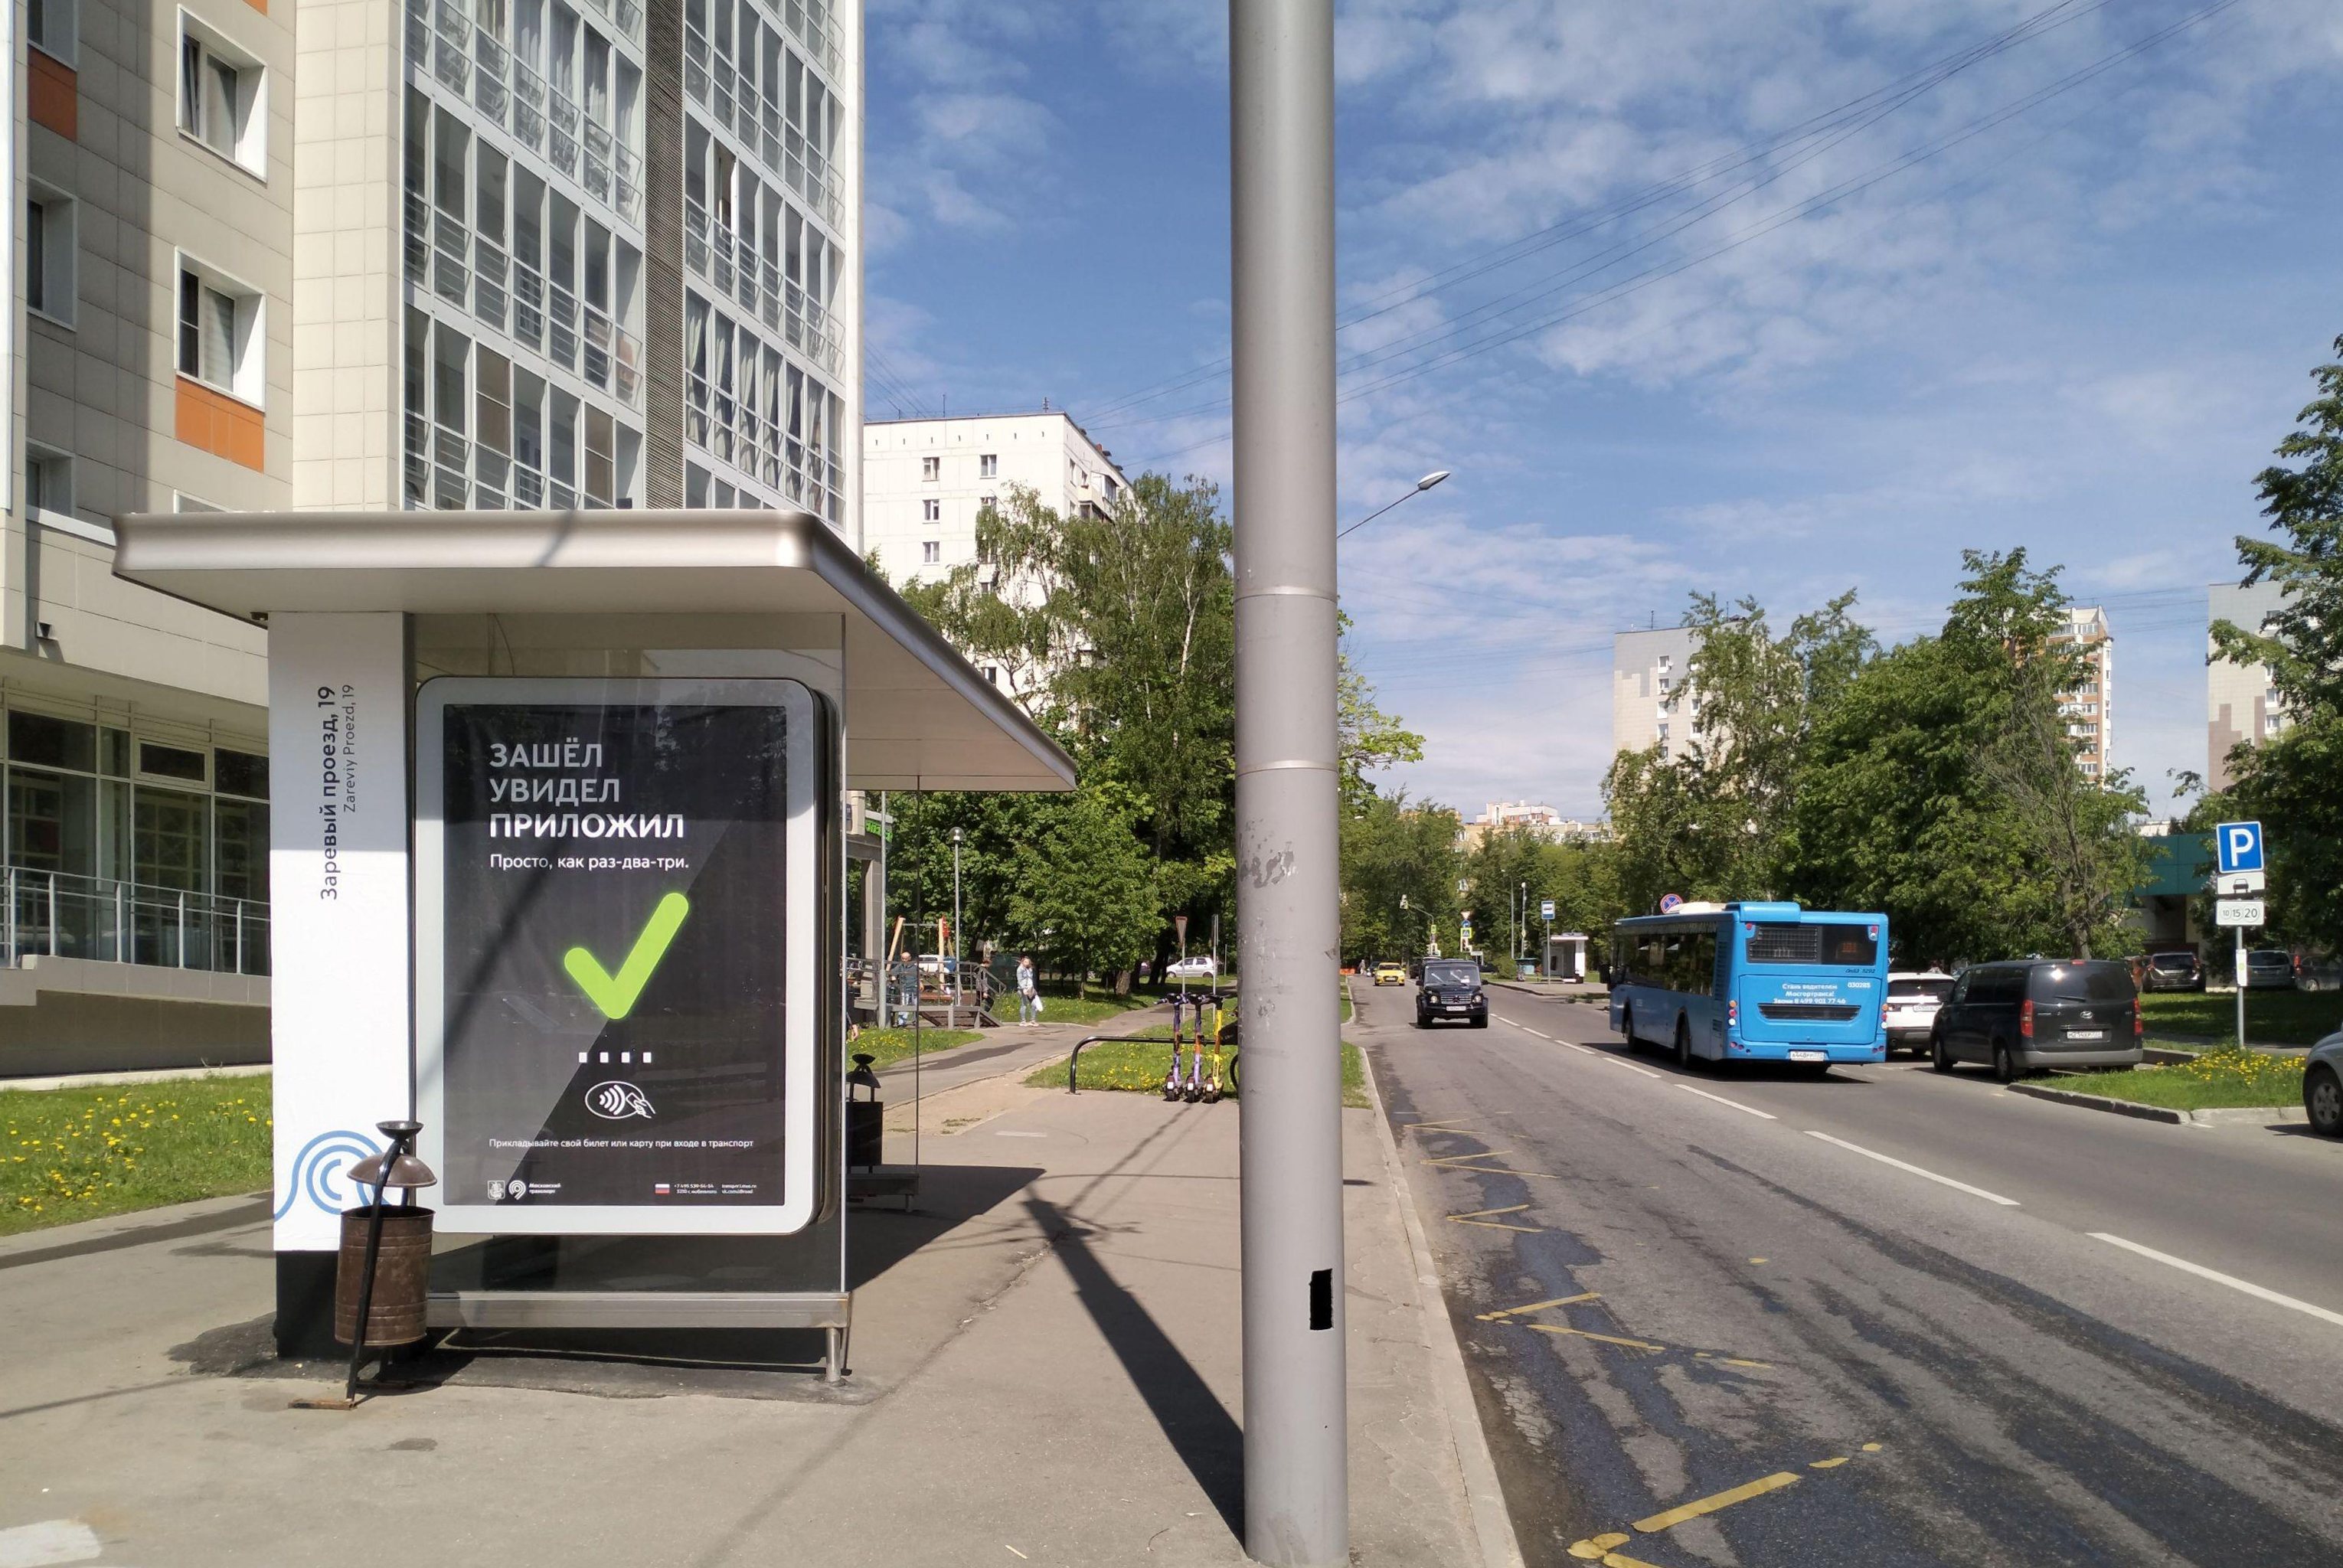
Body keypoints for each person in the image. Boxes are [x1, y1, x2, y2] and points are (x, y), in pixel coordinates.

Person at [1017, 955, 1038, 1026]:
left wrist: (1032, 988)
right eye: (1025, 962)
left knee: (1034, 1004)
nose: (1026, 963)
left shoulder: (1029, 969)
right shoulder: (1020, 969)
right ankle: (1023, 1021)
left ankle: (1033, 1020)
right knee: (1024, 1005)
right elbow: (1019, 980)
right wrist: (1023, 989)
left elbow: (1030, 979)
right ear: (1022, 962)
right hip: (1023, 989)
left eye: (1028, 962)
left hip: (1030, 988)